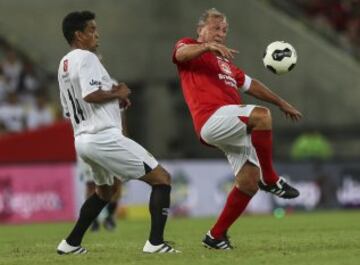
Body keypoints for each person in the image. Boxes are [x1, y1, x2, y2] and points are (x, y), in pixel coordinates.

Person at [172, 8, 303, 250]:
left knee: (248, 183)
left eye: (224, 30)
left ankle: (215, 236)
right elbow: (181, 55)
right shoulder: (189, 46)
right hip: (210, 119)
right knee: (261, 117)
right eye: (215, 29)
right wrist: (207, 46)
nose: (220, 34)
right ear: (200, 30)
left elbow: (252, 85)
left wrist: (282, 102)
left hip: (232, 124)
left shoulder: (225, 63)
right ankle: (272, 179)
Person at [56, 11, 178, 254]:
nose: (96, 34)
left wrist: (112, 101)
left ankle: (70, 244)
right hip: (103, 136)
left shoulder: (64, 64)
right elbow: (90, 95)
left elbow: (70, 110)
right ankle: (155, 243)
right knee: (162, 179)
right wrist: (117, 94)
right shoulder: (87, 58)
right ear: (78, 35)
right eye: (91, 30)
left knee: (105, 192)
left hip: (82, 139)